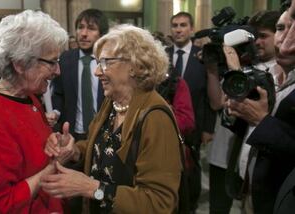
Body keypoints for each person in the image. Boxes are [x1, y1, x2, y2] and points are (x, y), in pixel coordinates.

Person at [42, 24, 181, 213]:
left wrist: (91, 188)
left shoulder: (156, 117)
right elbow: (103, 149)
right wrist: (74, 150)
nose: (97, 71)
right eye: (98, 62)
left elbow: (159, 203)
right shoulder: (112, 103)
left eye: (106, 62)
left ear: (134, 66)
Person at [0, 10, 68, 213]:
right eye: (51, 62)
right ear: (20, 64)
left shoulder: (29, 96)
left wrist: (54, 142)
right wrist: (53, 166)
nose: (58, 71)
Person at [226, 6, 295, 213]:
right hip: (247, 184)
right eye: (281, 28)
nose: (285, 38)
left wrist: (261, 120)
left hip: (278, 197)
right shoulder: (267, 78)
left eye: (292, 28)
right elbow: (243, 130)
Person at [168, 11, 217, 212]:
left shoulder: (202, 56)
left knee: (191, 174)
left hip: (193, 127)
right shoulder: (161, 54)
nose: (178, 29)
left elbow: (208, 96)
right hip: (166, 127)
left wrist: (208, 128)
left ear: (192, 29)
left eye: (183, 25)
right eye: (175, 25)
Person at [51, 9, 109, 141]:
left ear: (102, 34)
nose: (83, 34)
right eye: (80, 27)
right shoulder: (65, 59)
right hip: (72, 134)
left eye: (91, 28)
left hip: (102, 134)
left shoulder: (109, 61)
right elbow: (58, 93)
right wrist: (56, 112)